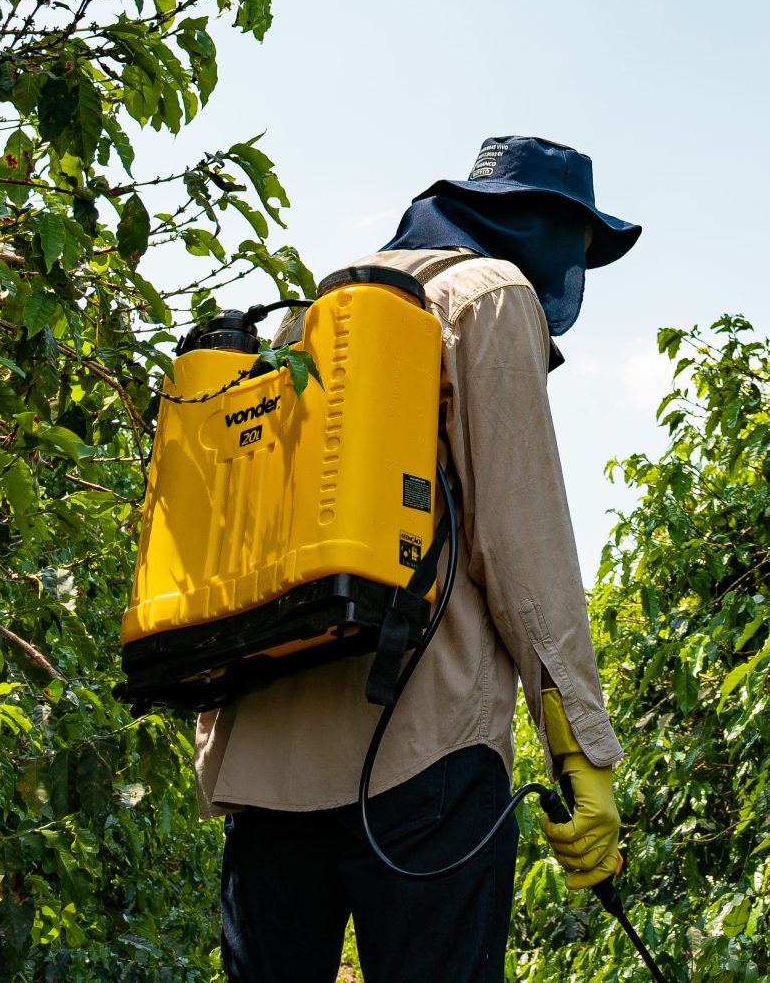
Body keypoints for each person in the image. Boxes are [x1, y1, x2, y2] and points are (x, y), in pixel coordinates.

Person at [196, 136, 641, 983]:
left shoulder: (308, 316)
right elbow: (523, 546)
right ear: (542, 225)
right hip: (423, 754)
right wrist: (582, 753)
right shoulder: (491, 293)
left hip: (267, 764)